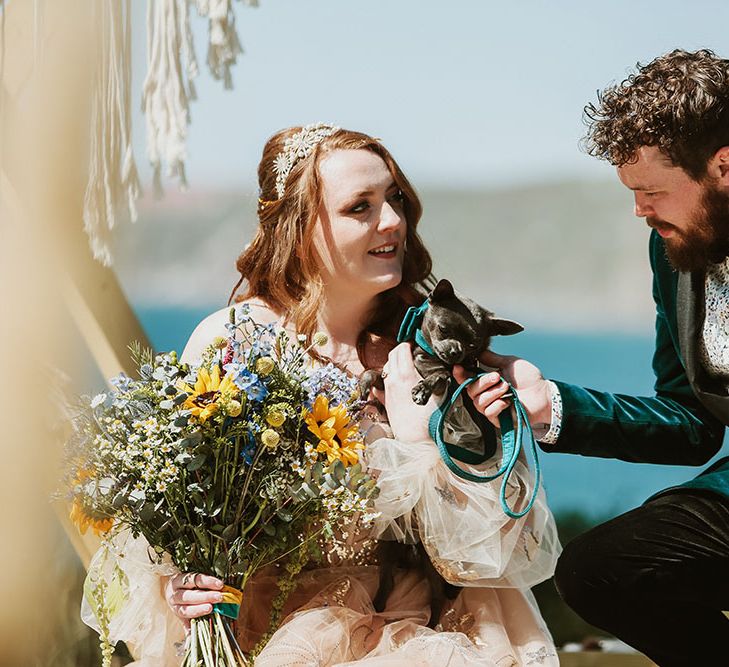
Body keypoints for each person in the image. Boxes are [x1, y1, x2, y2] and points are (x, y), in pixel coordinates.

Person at [85, 125, 561, 666]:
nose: (393, 223)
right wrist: (181, 583)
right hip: (268, 626)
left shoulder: (433, 346)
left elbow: (487, 546)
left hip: (425, 623)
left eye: (395, 199)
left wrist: (427, 444)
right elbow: (177, 511)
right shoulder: (232, 342)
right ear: (299, 226)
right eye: (360, 207)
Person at [456, 49, 729, 666]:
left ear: (723, 166)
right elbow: (692, 425)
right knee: (598, 570)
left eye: (652, 191)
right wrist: (544, 404)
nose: (640, 210)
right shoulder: (674, 253)